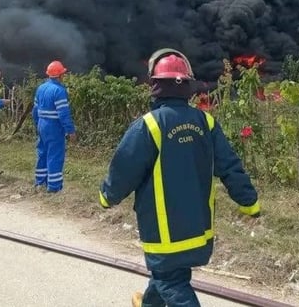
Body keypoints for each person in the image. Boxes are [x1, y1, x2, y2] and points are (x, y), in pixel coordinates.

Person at [97, 48, 261, 307]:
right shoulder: (206, 123)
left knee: (169, 278)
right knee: (171, 272)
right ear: (187, 86)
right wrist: (249, 202)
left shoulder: (149, 126)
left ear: (155, 85)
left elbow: (123, 170)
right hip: (198, 228)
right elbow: (230, 166)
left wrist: (107, 196)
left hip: (164, 231)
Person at [31, 60, 76, 192]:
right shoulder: (59, 91)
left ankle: (40, 182)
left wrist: (37, 124)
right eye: (63, 73)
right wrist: (70, 131)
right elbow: (63, 114)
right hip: (54, 127)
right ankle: (54, 187)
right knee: (55, 155)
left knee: (42, 153)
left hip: (42, 124)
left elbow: (35, 110)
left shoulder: (41, 88)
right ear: (60, 75)